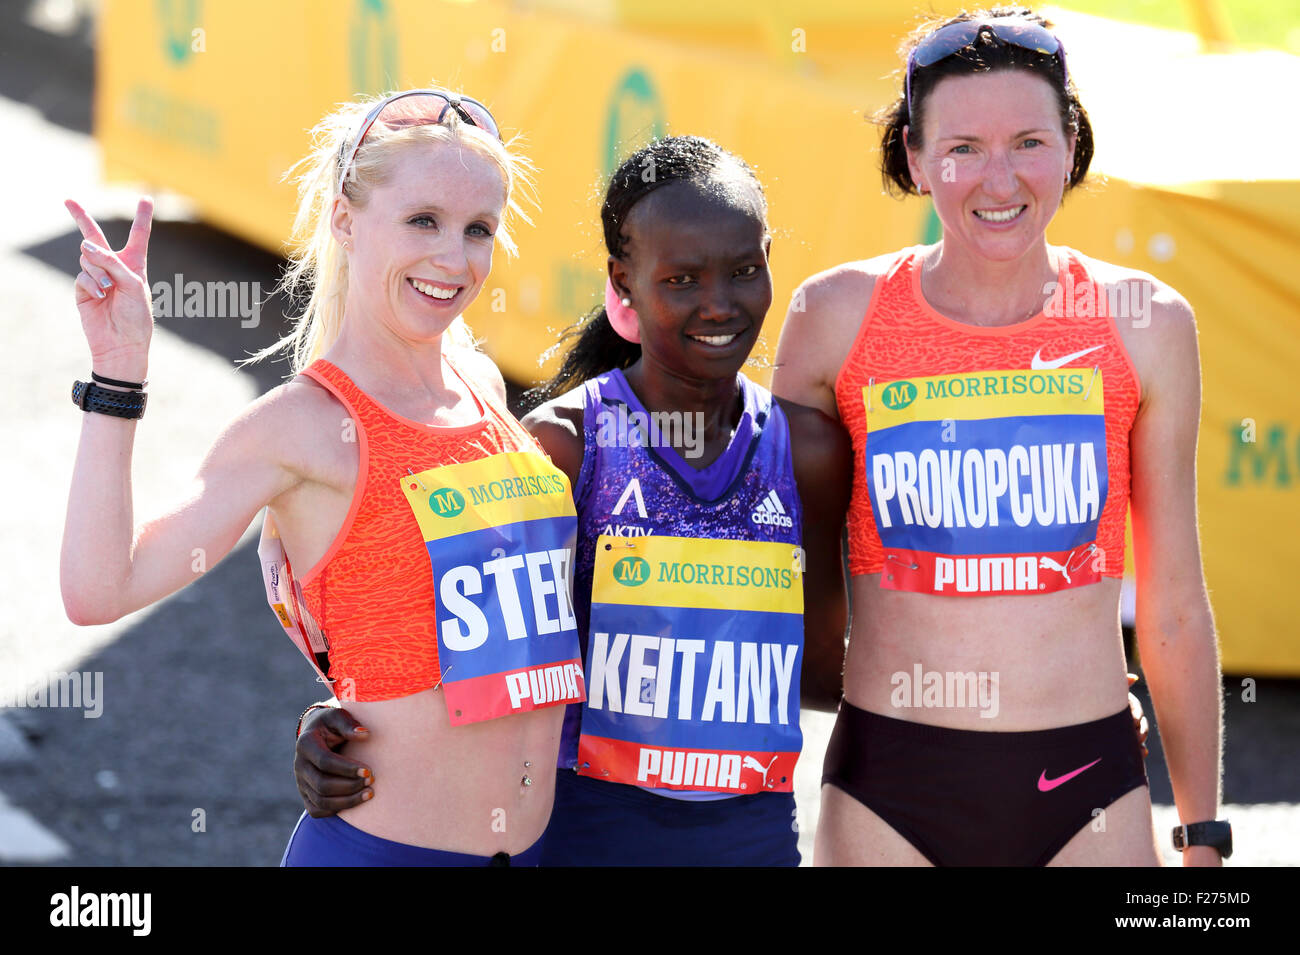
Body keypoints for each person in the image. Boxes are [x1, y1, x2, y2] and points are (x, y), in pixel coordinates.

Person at [60, 88, 585, 866]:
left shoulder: (481, 384)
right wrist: (117, 378)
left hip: (532, 850)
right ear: (345, 220)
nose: (455, 257)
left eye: (479, 229)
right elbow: (100, 590)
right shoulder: (301, 425)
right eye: (422, 221)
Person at [296, 134, 853, 865]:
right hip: (577, 841)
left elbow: (821, 676)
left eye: (745, 271)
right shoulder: (562, 448)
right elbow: (462, 653)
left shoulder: (807, 451)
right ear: (623, 284)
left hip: (750, 848)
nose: (719, 304)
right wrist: (335, 720)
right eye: (681, 280)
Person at [771, 8, 1225, 866]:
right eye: (962, 148)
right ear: (913, 156)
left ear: (1071, 144)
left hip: (1087, 782)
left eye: (1028, 141)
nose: (999, 179)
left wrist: (1202, 836)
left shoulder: (1147, 323)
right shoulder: (831, 319)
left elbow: (1171, 605)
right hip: (889, 789)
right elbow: (775, 567)